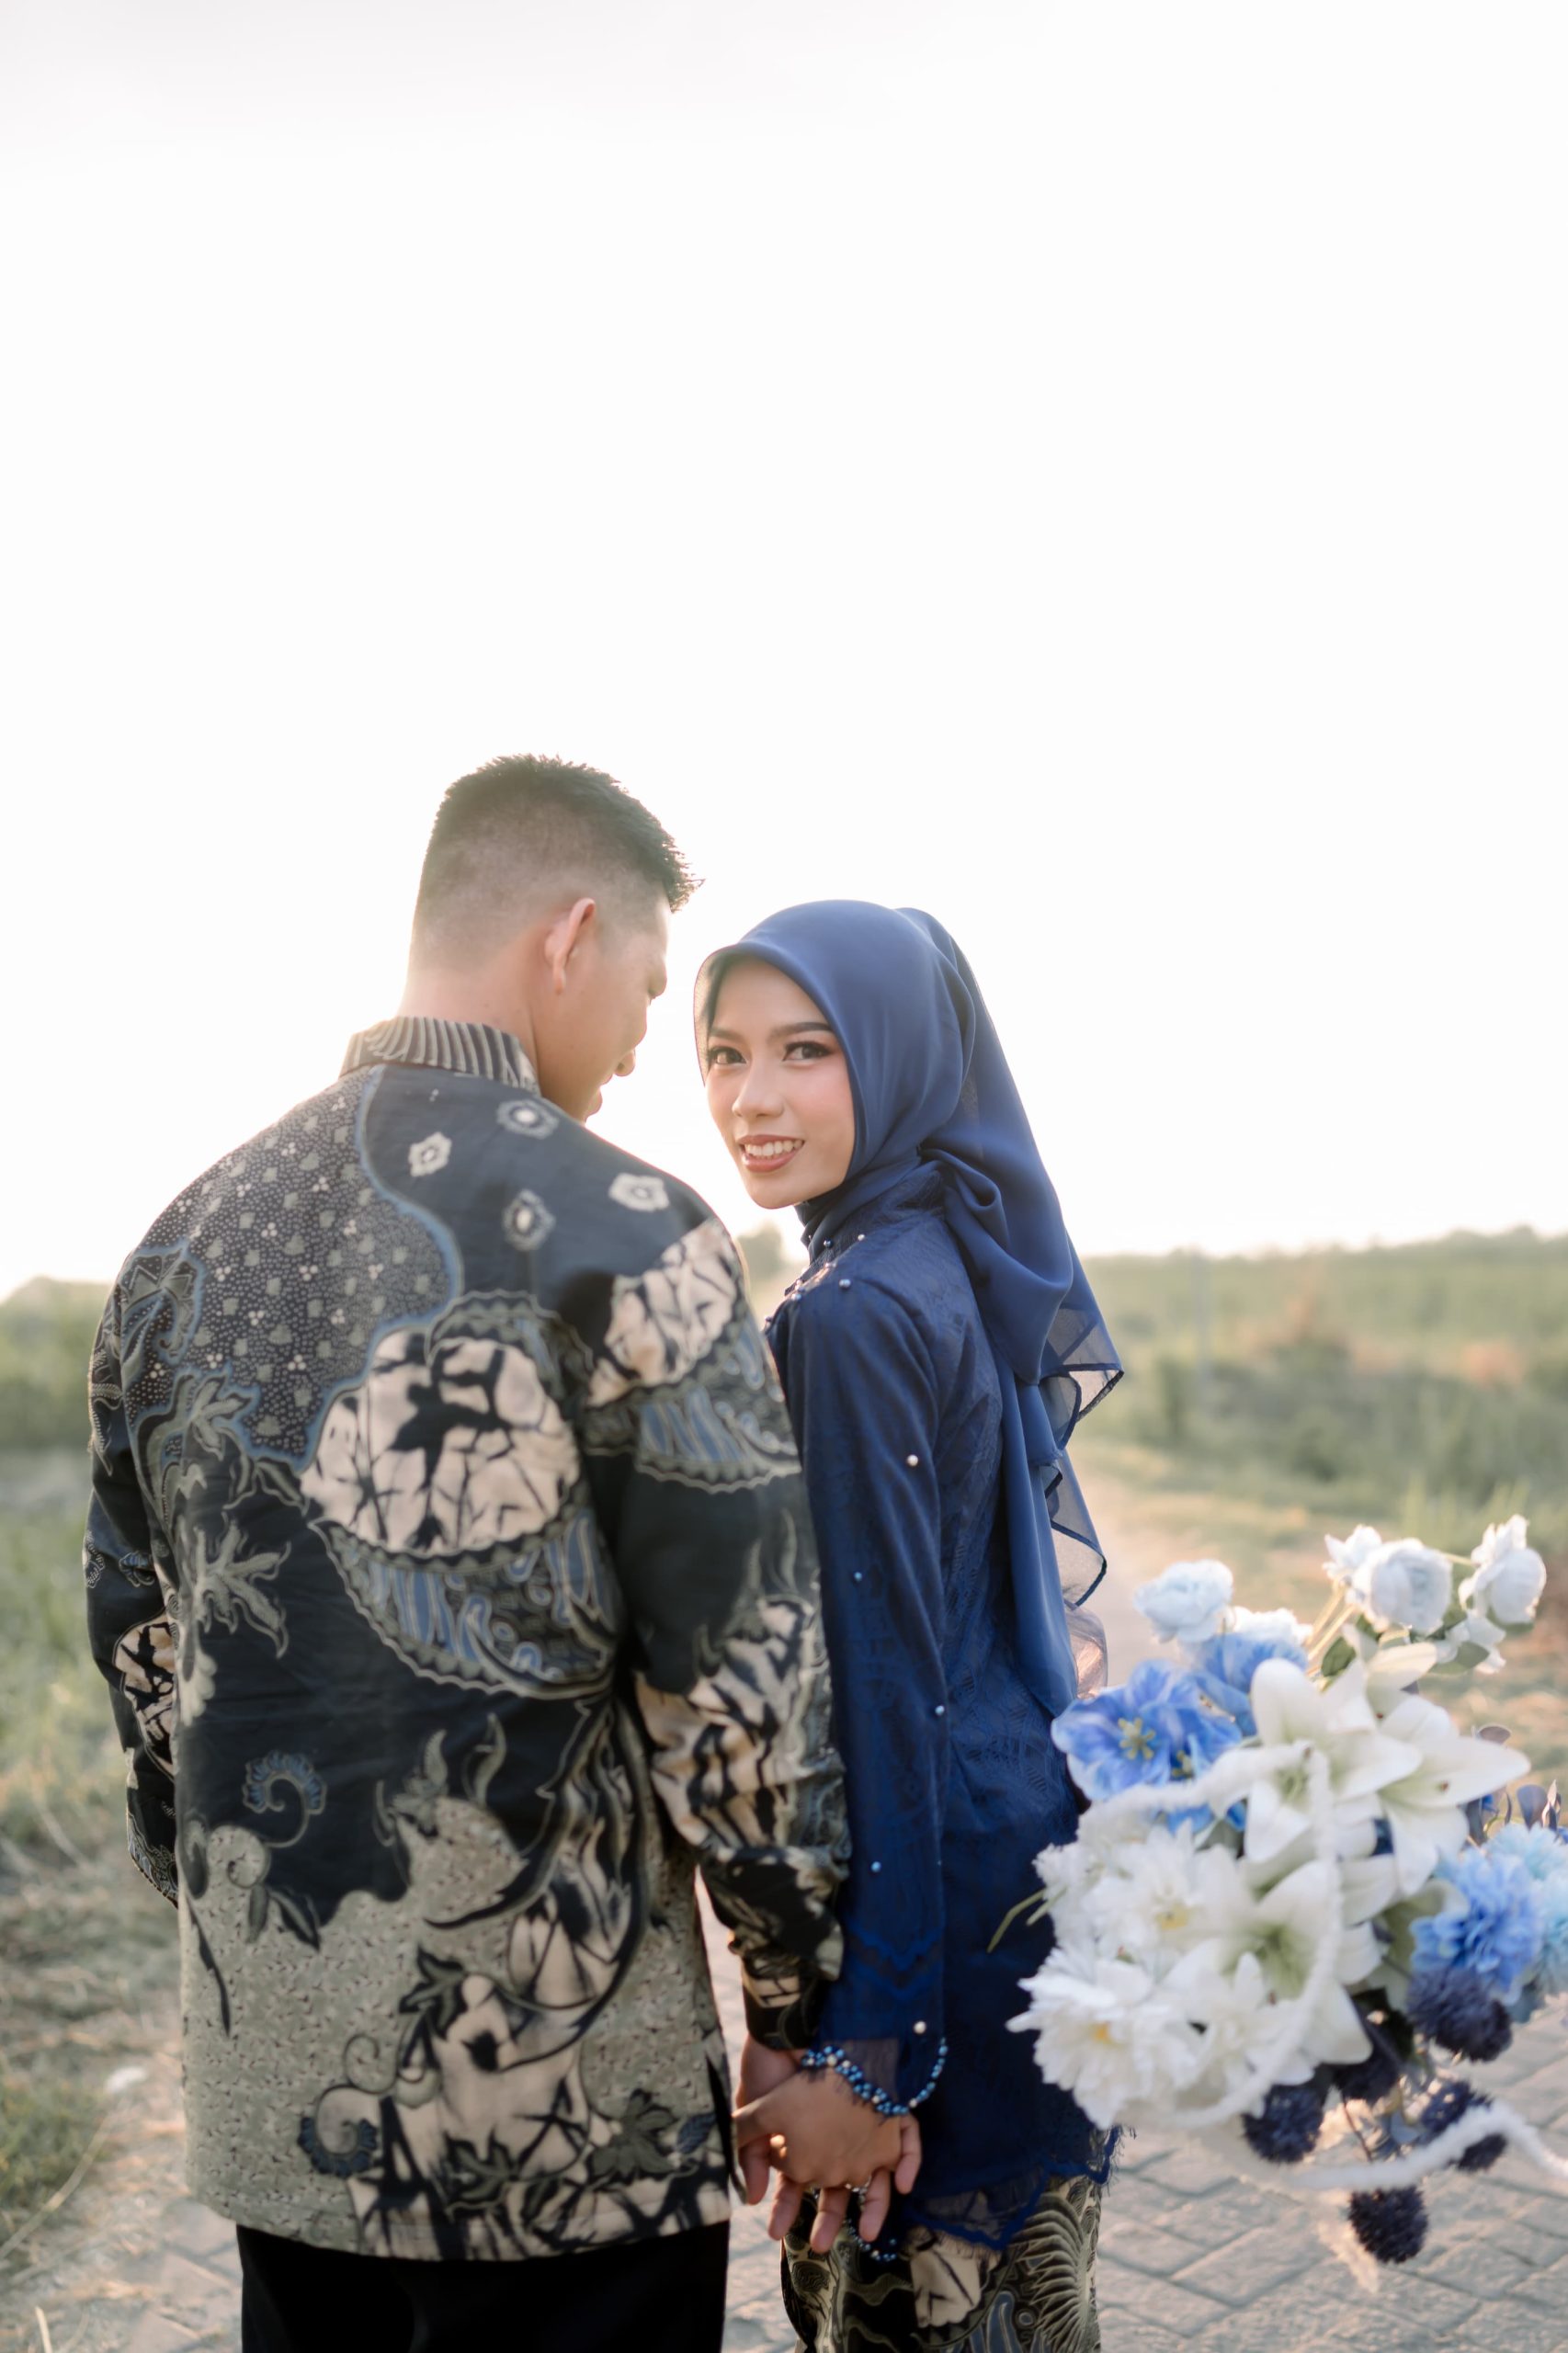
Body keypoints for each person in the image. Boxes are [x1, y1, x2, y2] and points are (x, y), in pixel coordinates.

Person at [84, 758, 894, 2353]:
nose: (645, 1042)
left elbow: (142, 1658)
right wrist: (796, 2007)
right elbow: (735, 1689)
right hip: (560, 2124)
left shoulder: (176, 1243)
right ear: (571, 937)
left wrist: (249, 1967)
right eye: (649, 990)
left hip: (277, 2103)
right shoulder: (631, 1228)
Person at [709, 902, 1122, 2353]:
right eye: (723, 1055)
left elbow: (882, 1687)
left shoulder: (847, 1310)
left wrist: (874, 2048)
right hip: (1018, 1865)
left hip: (929, 1917)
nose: (751, 1100)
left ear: (892, 1058)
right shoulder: (944, 1246)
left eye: (804, 1051)